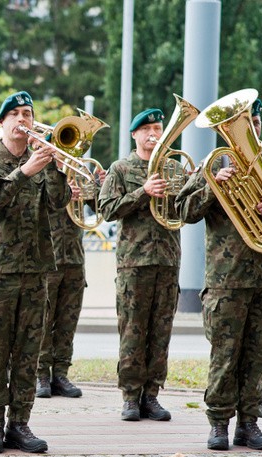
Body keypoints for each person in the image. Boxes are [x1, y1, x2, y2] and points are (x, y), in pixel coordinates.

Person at [175, 98, 262, 451]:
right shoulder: (212, 166)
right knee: (225, 355)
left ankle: (249, 424)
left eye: (254, 123)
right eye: (245, 123)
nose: (251, 129)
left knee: (256, 356)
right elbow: (183, 211)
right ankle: (219, 423)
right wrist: (212, 186)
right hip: (225, 280)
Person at [0, 91, 67, 454]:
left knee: (28, 351)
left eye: (28, 113)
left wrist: (54, 165)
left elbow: (59, 202)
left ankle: (20, 423)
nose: (23, 120)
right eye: (15, 114)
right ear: (2, 123)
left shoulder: (41, 159)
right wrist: (25, 171)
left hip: (35, 269)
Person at [98, 108, 180, 422]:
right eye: (146, 130)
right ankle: (131, 396)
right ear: (135, 134)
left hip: (167, 260)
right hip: (134, 262)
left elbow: (186, 210)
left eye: (157, 129)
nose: (153, 135)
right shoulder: (121, 168)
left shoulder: (173, 167)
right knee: (133, 330)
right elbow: (107, 209)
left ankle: (152, 395)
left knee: (161, 331)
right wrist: (142, 192)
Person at [36, 172, 88, 400]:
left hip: (75, 258)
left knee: (68, 321)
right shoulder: (39, 171)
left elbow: (101, 209)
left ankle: (61, 374)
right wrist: (63, 193)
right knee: (44, 320)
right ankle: (40, 374)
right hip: (49, 257)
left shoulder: (79, 173)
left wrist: (94, 188)